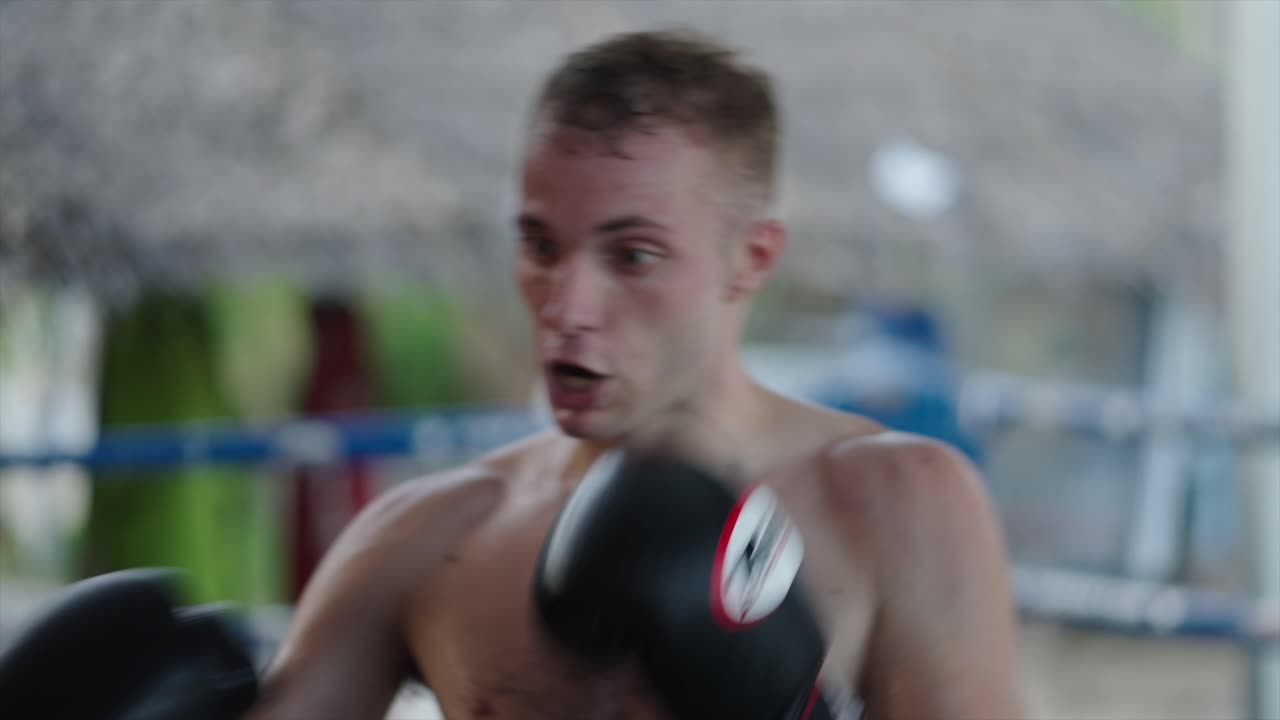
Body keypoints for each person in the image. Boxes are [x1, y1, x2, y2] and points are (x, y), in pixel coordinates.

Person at [0, 29, 1025, 720]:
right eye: (540, 244)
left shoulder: (898, 504)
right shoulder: (429, 536)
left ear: (750, 258)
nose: (566, 302)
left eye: (630, 256)